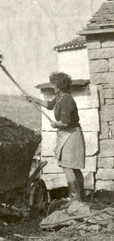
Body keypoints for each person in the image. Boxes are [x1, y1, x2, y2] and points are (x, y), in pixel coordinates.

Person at [26, 72, 85, 202]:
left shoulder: (68, 99)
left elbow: (64, 122)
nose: (53, 86)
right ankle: (80, 197)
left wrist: (55, 124)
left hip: (72, 135)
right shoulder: (59, 97)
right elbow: (49, 105)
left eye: (54, 84)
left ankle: (76, 199)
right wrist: (33, 99)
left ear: (59, 85)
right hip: (66, 134)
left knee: (69, 166)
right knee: (71, 166)